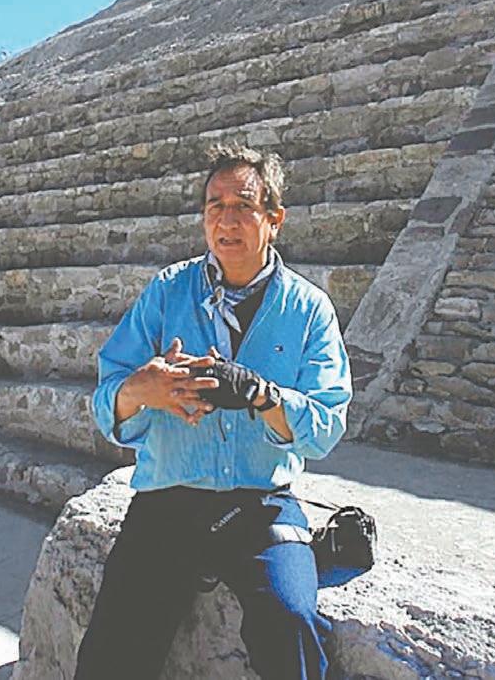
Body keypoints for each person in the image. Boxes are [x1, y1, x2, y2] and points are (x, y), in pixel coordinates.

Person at [74, 143, 352, 680]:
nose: (226, 221)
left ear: (274, 219)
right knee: (113, 647)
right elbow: (107, 401)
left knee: (291, 618)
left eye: (243, 206)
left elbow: (325, 427)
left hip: (261, 502)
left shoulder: (309, 309)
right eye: (214, 206)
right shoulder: (166, 292)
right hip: (167, 500)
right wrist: (142, 389)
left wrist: (260, 395)